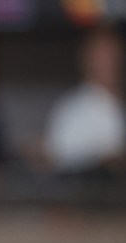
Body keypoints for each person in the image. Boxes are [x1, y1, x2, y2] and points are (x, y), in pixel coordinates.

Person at [44, 27, 125, 177]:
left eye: (113, 56)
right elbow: (58, 161)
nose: (109, 64)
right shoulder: (70, 109)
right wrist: (104, 160)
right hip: (91, 193)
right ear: (87, 60)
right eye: (101, 57)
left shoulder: (119, 104)